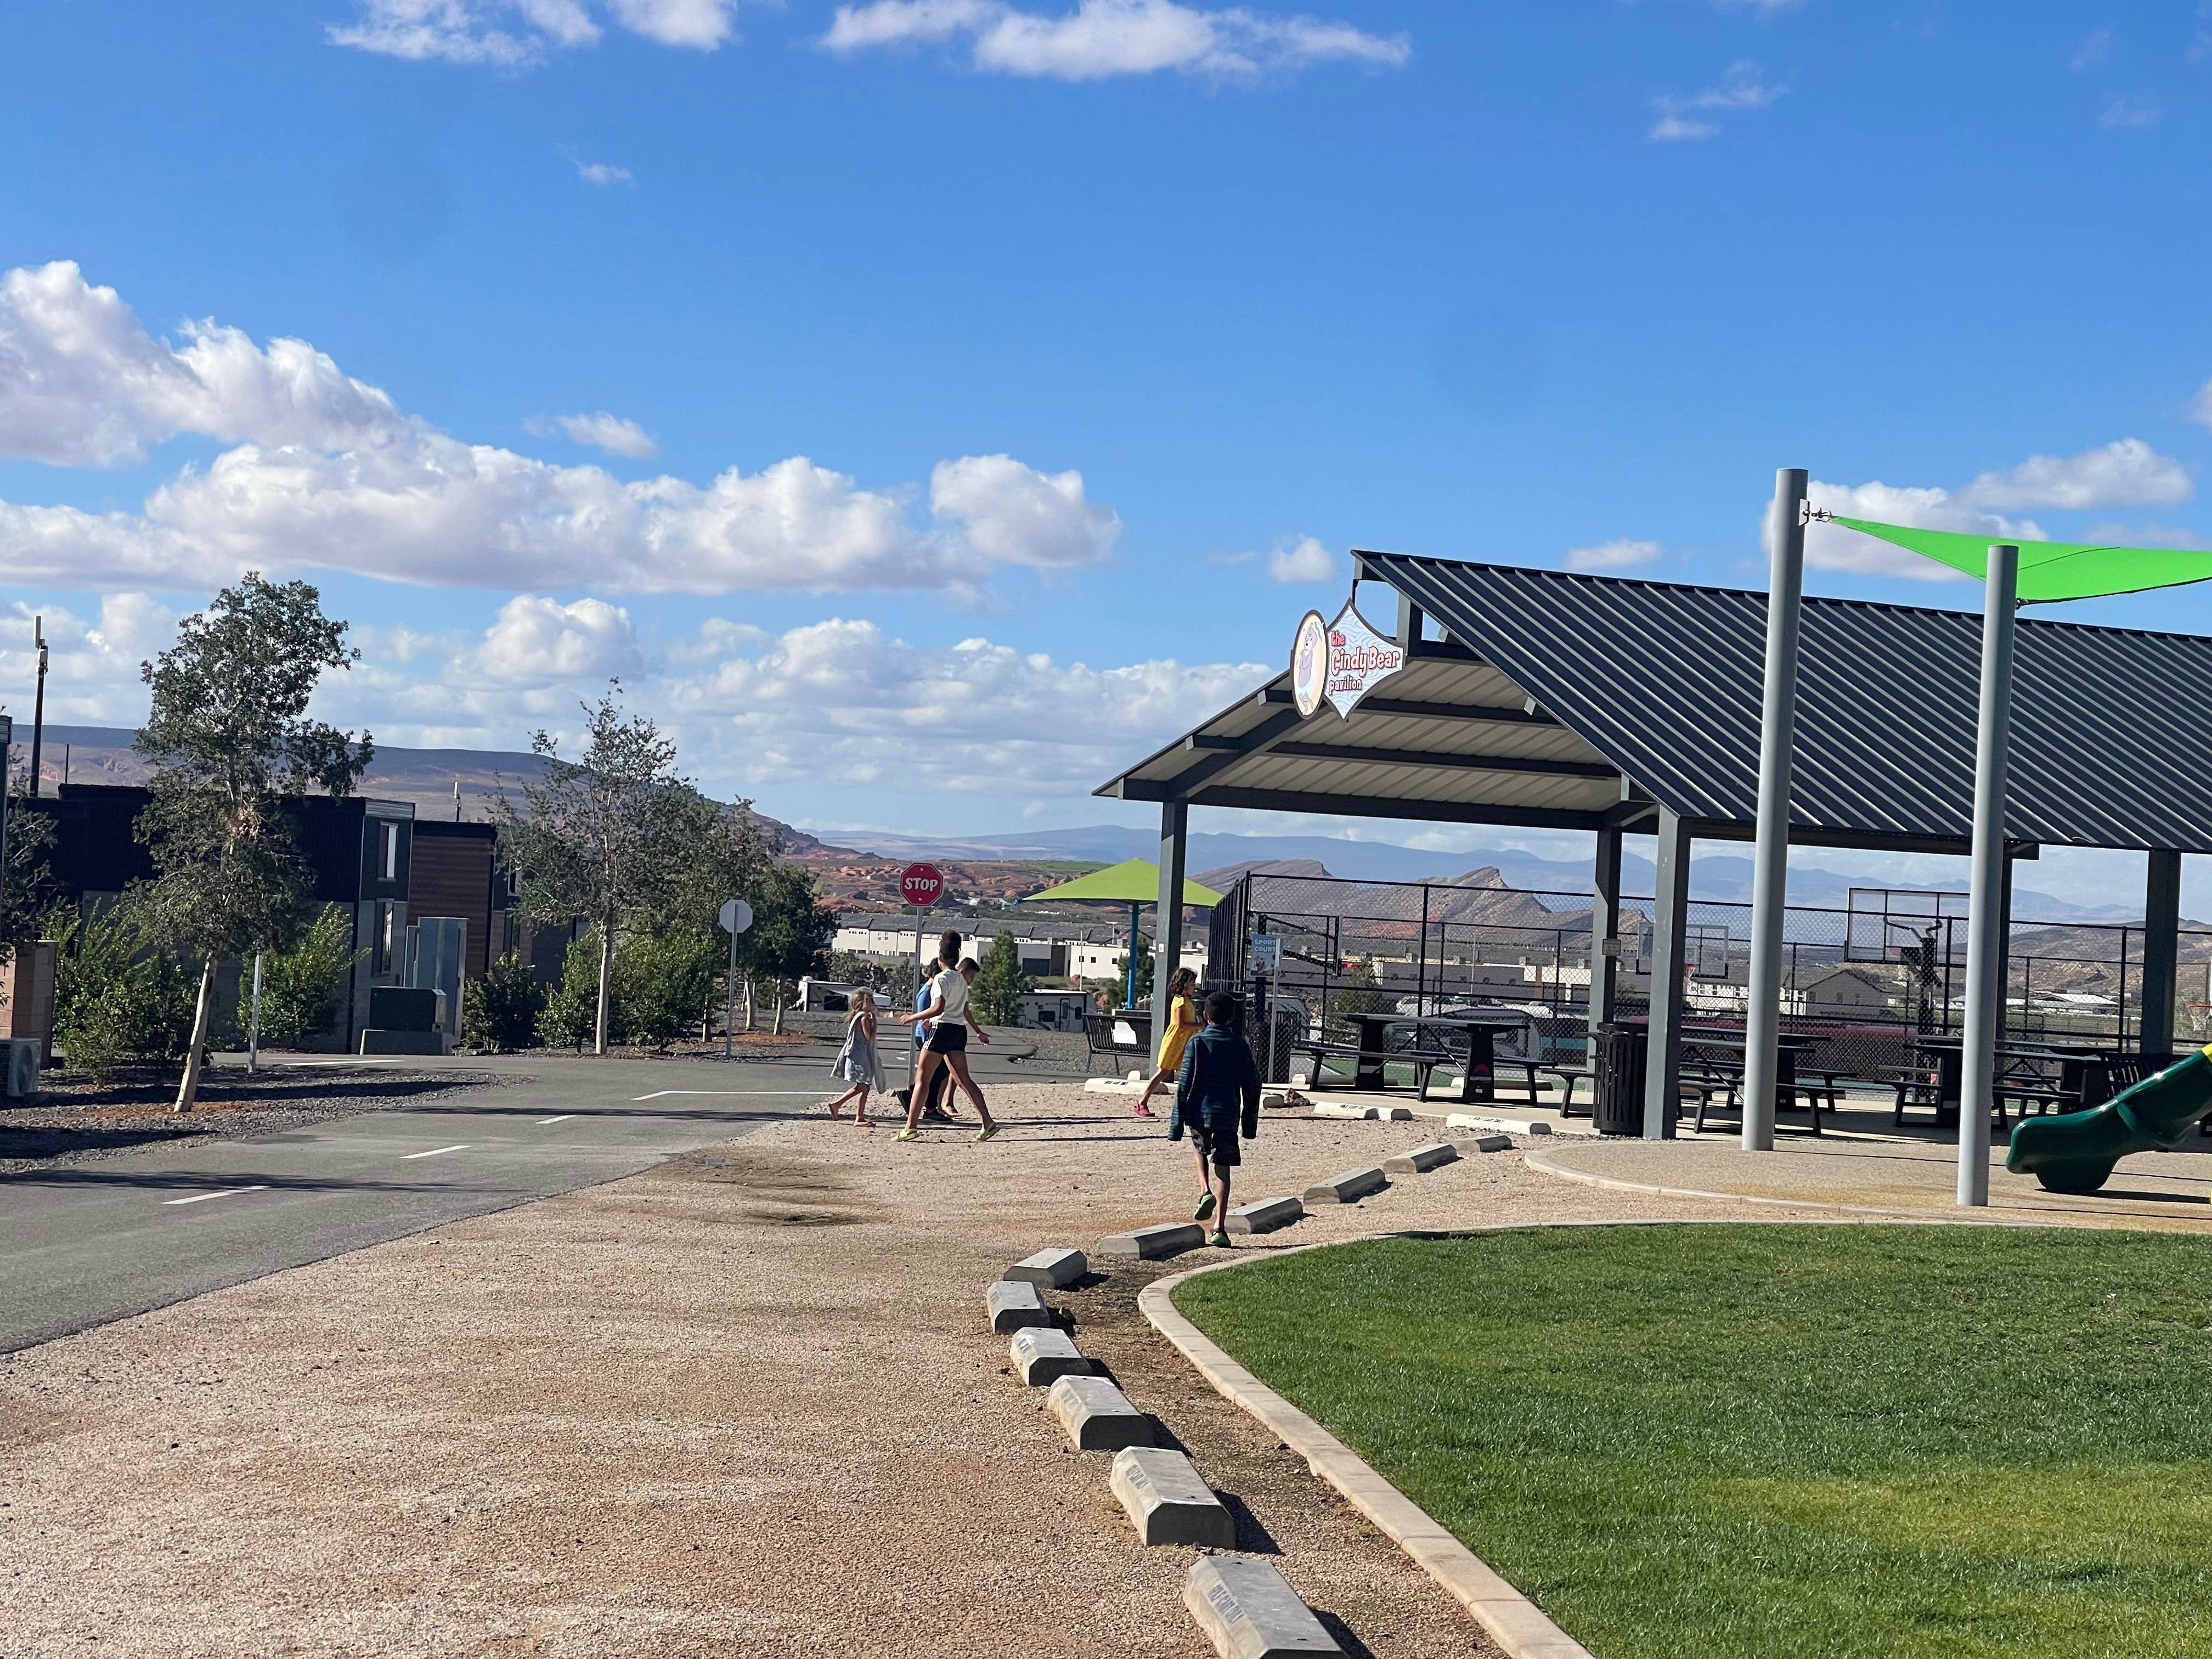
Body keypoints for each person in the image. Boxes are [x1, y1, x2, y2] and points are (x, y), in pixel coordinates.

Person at [1170, 990, 1262, 1249]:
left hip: (1200, 1112)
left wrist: (1177, 1124)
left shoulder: (1197, 1044)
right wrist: (1249, 1124)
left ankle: (1204, 1190)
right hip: (1228, 1114)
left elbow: (1184, 1084)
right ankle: (1220, 1228)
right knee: (1224, 1167)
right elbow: (1253, 1084)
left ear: (1205, 1016)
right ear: (1232, 1018)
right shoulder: (1240, 1046)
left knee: (1199, 1149)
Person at [894, 933, 999, 1143]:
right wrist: (977, 1031)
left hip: (941, 1031)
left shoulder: (941, 979)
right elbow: (965, 1010)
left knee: (922, 1079)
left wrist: (912, 1017)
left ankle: (910, 1127)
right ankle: (987, 1122)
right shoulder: (961, 979)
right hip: (958, 1032)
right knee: (964, 1079)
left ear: (940, 956)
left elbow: (938, 1007)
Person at [1134, 967, 1203, 1119]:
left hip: (1184, 1041)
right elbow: (1181, 1024)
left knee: (1189, 1072)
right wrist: (1199, 1026)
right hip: (1175, 1041)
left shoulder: (1186, 1001)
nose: (1194, 987)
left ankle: (1191, 1105)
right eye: (1192, 983)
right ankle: (1142, 1101)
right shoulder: (1180, 1001)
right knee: (1163, 1071)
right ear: (1185, 984)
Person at [824, 989, 885, 1127]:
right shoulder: (864, 1018)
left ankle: (854, 1113)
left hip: (859, 1055)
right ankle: (853, 1114)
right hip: (860, 1056)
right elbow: (869, 1037)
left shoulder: (858, 1016)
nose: (874, 1005)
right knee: (863, 1086)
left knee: (864, 1087)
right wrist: (874, 1024)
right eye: (871, 1002)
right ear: (863, 1004)